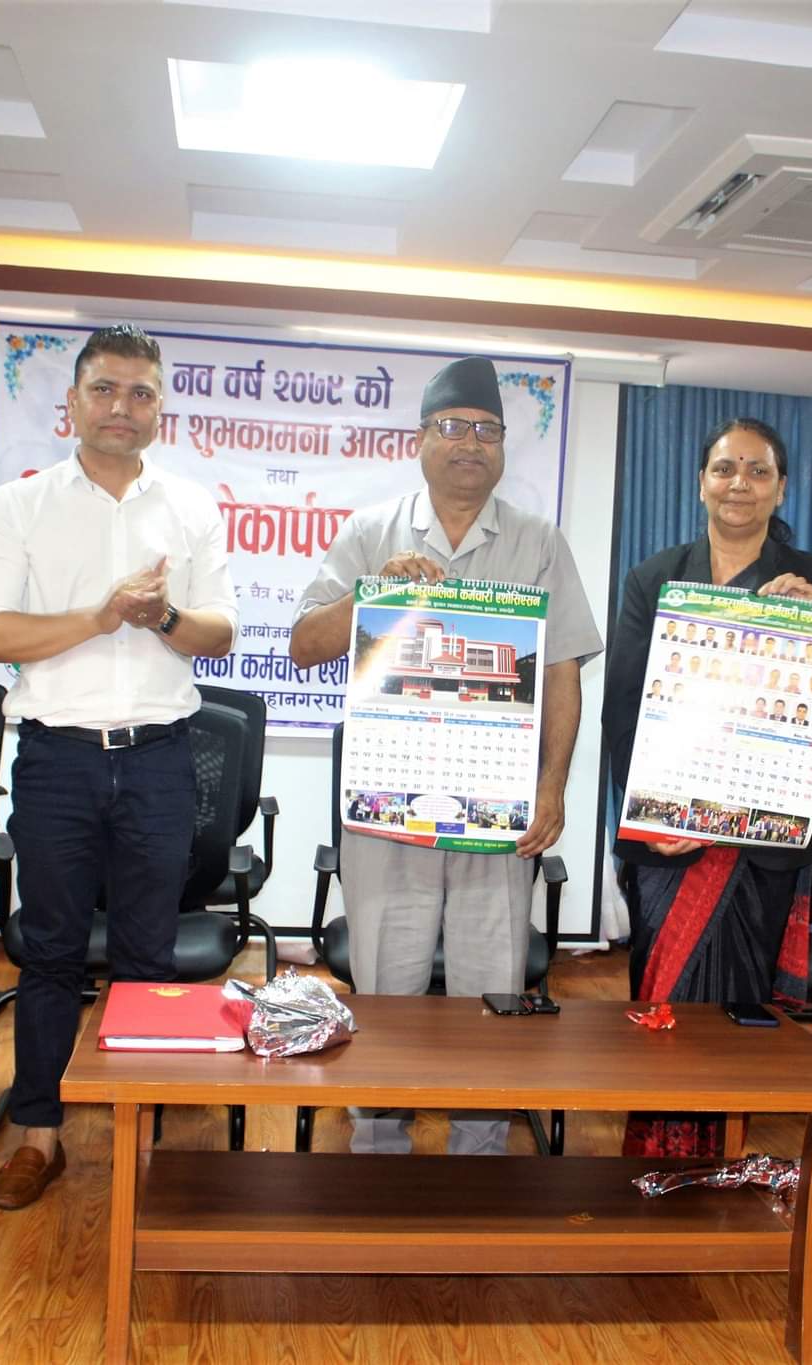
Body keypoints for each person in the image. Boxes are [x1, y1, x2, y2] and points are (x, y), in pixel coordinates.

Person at [290, 355, 602, 1156]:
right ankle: (377, 1152)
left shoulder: (538, 542)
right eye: (454, 426)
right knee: (386, 990)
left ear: (503, 447)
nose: (471, 443)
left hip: (497, 810)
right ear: (421, 438)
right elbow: (302, 645)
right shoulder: (370, 532)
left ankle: (479, 1155)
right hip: (389, 806)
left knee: (491, 990)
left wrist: (553, 788)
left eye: (487, 430)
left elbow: (562, 676)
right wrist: (374, 594)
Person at [0, 326, 237, 1207]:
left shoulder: (190, 506)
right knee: (49, 952)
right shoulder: (20, 504)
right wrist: (102, 615)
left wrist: (162, 618)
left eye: (141, 393)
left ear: (162, 408)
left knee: (147, 956)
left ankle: (137, 1141)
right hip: (57, 759)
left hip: (160, 759)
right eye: (105, 390)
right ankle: (39, 1137)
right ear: (73, 403)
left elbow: (222, 632)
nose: (123, 407)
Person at [603, 416, 812, 1157]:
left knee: (738, 1010)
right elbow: (624, 706)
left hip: (762, 842)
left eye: (759, 471)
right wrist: (646, 819)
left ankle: (723, 1157)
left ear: (781, 487)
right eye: (725, 468)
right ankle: (658, 1154)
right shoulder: (656, 578)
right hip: (671, 836)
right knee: (663, 1000)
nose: (740, 484)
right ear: (702, 482)